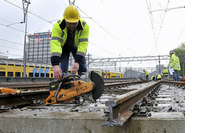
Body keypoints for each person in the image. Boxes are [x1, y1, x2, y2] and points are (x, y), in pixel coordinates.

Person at [50, 5, 89, 80]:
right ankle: (64, 82)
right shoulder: (58, 26)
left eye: (74, 23)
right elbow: (56, 44)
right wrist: (55, 65)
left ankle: (84, 82)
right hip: (64, 47)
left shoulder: (84, 26)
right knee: (63, 67)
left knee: (82, 66)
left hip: (77, 48)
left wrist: (77, 62)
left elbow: (83, 44)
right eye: (69, 23)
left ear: (78, 19)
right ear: (65, 19)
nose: (71, 25)